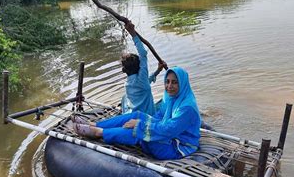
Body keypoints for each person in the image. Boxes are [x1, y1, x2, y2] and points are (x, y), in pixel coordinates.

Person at [73, 66, 201, 160]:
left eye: (174, 82)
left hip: (177, 146)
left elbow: (170, 129)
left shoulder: (186, 107)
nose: (169, 86)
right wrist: (144, 121)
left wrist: (141, 125)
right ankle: (96, 124)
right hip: (170, 133)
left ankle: (99, 132)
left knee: (139, 131)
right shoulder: (170, 96)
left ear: (182, 84)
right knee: (137, 115)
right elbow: (161, 116)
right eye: (167, 82)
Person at [120, 21, 167, 115]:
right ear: (139, 68)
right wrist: (133, 34)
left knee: (124, 98)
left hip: (133, 113)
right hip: (147, 116)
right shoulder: (141, 80)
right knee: (166, 101)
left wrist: (157, 71)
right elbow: (143, 54)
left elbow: (145, 82)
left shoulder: (128, 83)